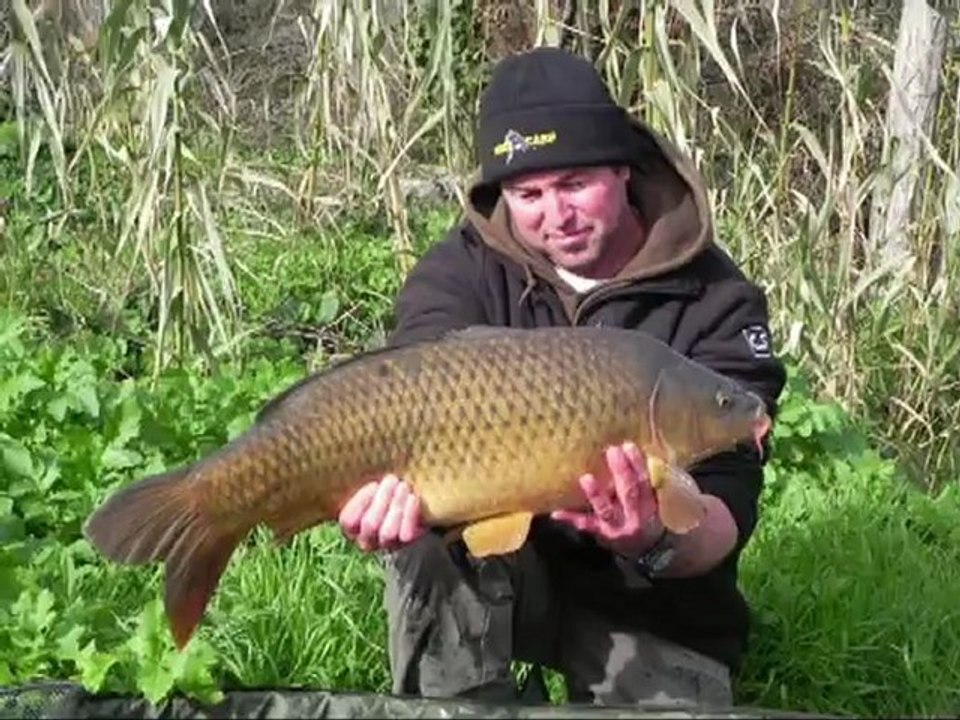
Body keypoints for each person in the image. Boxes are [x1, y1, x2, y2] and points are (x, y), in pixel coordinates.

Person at [337, 46, 787, 707]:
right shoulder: (459, 273)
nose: (557, 215)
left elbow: (726, 512)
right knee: (427, 548)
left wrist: (654, 538)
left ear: (623, 169)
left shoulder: (717, 299)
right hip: (497, 573)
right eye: (529, 194)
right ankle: (459, 698)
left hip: (650, 601)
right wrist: (374, 498)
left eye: (576, 183)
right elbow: (403, 407)